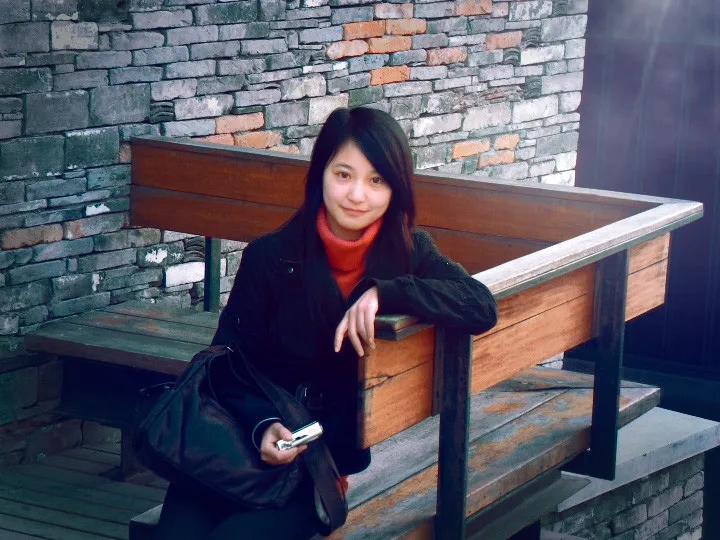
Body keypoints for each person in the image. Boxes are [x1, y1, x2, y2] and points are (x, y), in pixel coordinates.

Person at [154, 106, 499, 539]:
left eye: (376, 180)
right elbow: (227, 364)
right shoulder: (270, 256)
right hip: (235, 443)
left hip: (315, 470)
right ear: (320, 174)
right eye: (343, 175)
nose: (357, 195)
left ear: (396, 188)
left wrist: (386, 291)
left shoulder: (409, 252)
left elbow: (480, 305)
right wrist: (263, 425)